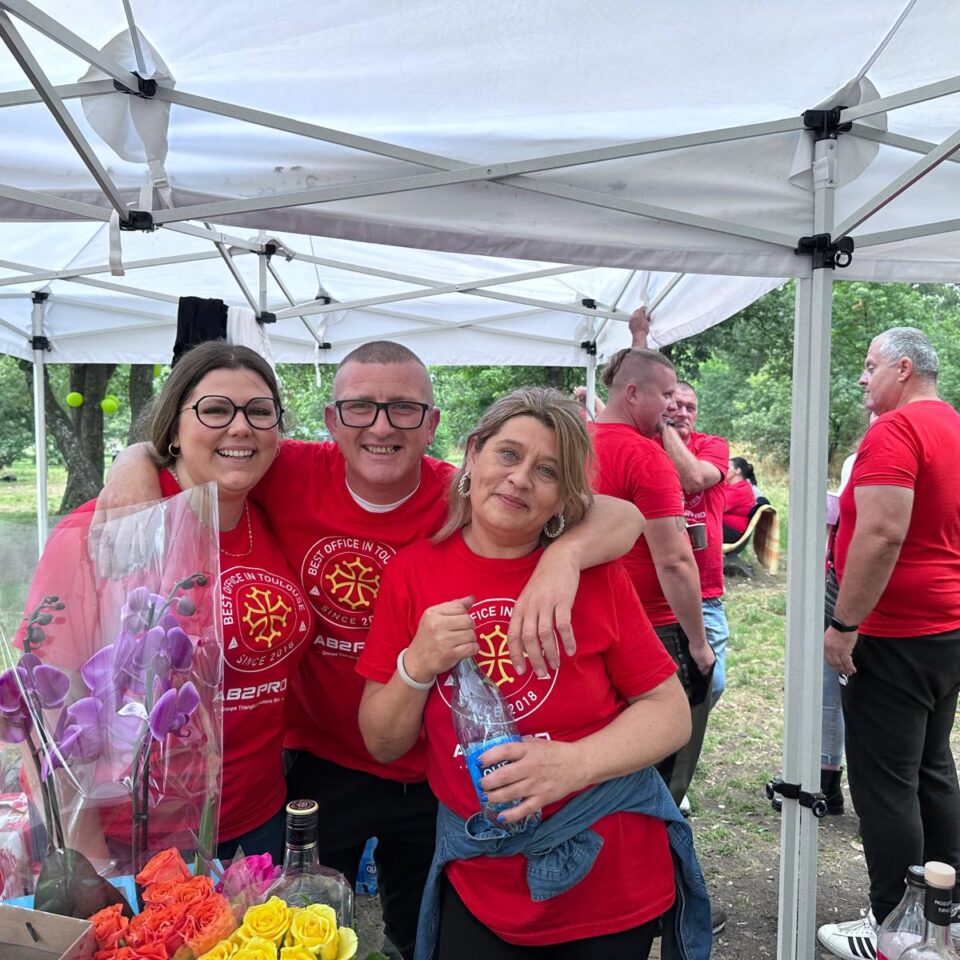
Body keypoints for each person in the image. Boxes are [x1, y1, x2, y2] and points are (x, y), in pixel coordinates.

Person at [100, 340, 644, 960]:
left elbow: (621, 515)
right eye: (359, 407)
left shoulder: (462, 492)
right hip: (319, 763)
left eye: (405, 409)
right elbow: (203, 443)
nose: (381, 426)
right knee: (292, 928)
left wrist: (565, 556)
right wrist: (134, 460)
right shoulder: (288, 472)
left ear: (435, 426)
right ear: (331, 420)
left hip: (438, 776)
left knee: (422, 934)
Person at [356, 387, 710, 960]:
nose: (520, 479)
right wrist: (417, 665)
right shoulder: (411, 574)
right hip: (481, 875)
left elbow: (670, 716)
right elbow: (383, 743)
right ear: (472, 455)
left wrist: (572, 765)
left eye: (546, 470)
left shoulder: (593, 576)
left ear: (565, 497)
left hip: (607, 873)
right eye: (507, 454)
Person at [19, 342, 313, 864]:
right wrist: (93, 869)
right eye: (216, 409)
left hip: (258, 821)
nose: (241, 427)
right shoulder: (106, 529)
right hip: (131, 839)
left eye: (259, 412)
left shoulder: (268, 514)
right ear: (172, 429)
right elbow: (44, 716)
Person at [817, 328, 960, 960]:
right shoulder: (952, 426)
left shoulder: (895, 431)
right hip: (946, 628)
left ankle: (895, 930)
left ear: (904, 369)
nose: (861, 377)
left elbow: (881, 532)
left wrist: (846, 624)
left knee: (886, 782)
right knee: (932, 767)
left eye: (869, 365)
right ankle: (944, 913)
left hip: (897, 631)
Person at [590, 342, 715, 805]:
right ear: (633, 394)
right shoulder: (645, 456)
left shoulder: (575, 444)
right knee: (658, 752)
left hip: (586, 618)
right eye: (665, 395)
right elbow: (674, 559)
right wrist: (698, 644)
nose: (671, 406)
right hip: (650, 626)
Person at [628, 305, 730, 707]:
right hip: (653, 594)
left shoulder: (712, 446)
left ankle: (683, 738)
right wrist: (640, 342)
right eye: (674, 403)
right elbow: (632, 393)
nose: (682, 411)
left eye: (690, 407)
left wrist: (666, 425)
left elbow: (694, 478)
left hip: (704, 593)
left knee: (712, 683)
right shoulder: (647, 444)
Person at [721, 457, 758, 543]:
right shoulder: (733, 487)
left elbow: (716, 507)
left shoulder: (740, 490)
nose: (724, 469)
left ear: (737, 471)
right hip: (724, 527)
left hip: (731, 531)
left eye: (727, 467)